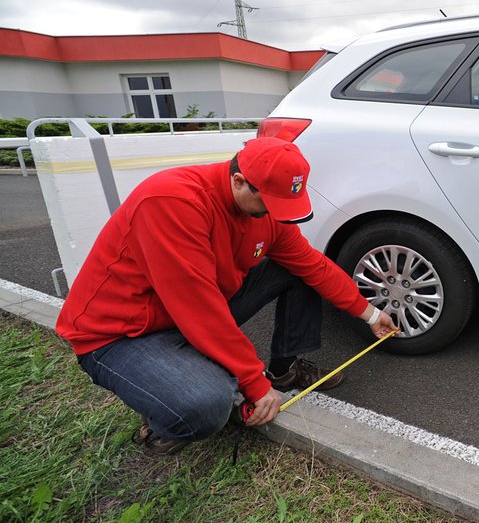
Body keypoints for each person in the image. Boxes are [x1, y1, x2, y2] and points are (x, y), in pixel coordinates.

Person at [56, 137, 397, 455]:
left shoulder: (263, 210)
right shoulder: (172, 203)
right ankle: (160, 419)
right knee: (206, 405)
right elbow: (197, 308)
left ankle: (283, 370)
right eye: (268, 202)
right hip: (121, 334)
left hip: (192, 310)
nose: (273, 213)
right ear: (238, 180)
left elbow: (313, 265)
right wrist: (250, 381)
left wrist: (369, 313)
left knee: (297, 270)